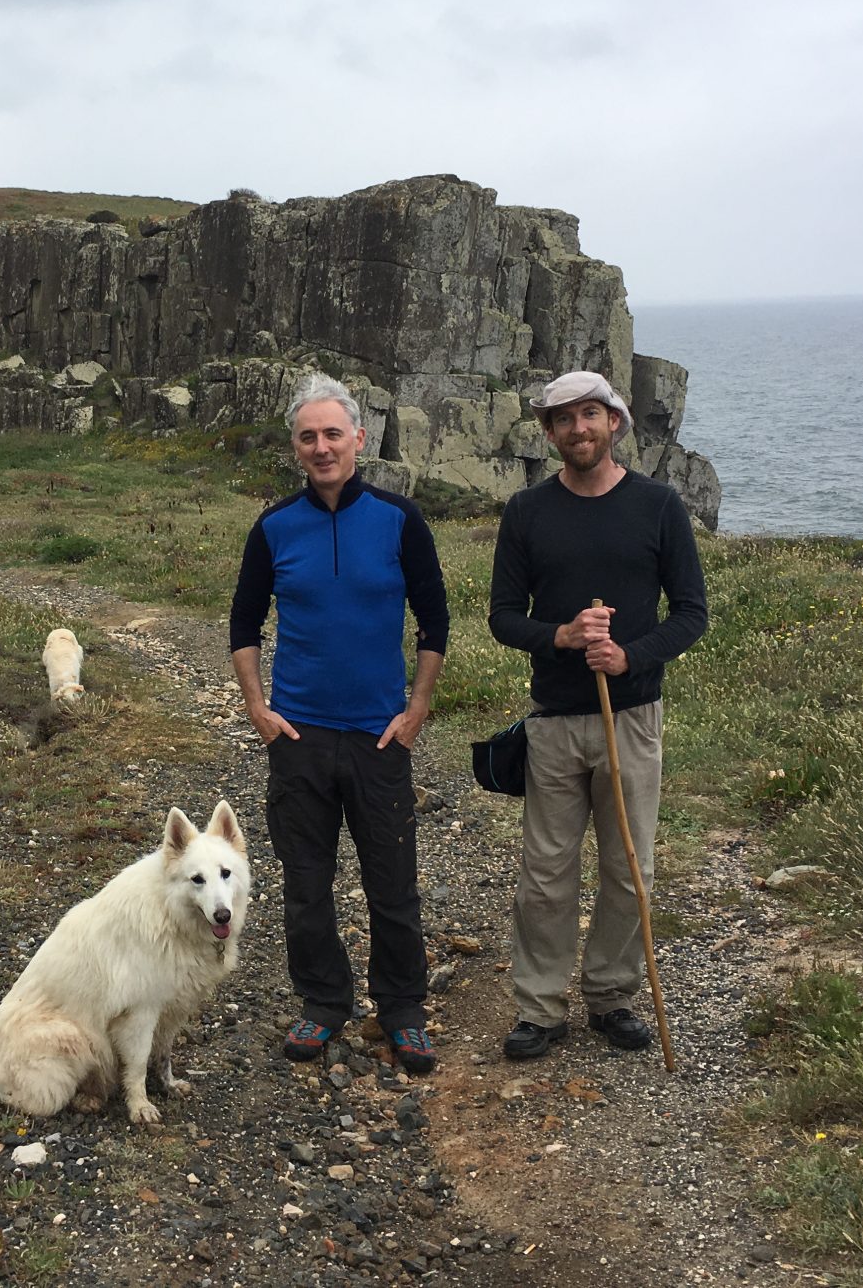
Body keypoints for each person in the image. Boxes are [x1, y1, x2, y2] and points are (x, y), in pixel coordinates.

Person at [229, 372, 450, 1075]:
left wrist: (417, 708)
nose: (321, 447)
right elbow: (243, 622)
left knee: (392, 884)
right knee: (306, 884)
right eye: (307, 436)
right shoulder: (273, 527)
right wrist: (257, 708)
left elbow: (435, 619)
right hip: (298, 738)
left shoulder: (398, 519)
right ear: (295, 447)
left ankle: (403, 1010)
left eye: (333, 433)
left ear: (359, 437)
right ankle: (323, 1005)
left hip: (379, 736)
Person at [487, 370, 708, 1058]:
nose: (578, 429)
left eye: (590, 414)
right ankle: (541, 1006)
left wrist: (628, 658)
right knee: (546, 872)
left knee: (627, 867)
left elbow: (692, 614)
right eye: (562, 419)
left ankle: (612, 997)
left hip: (632, 717)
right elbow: (502, 616)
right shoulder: (527, 511)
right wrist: (561, 636)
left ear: (615, 421)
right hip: (553, 720)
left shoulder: (659, 507)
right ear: (549, 434)